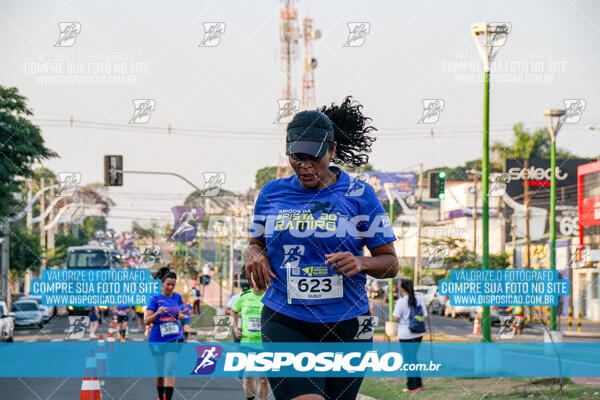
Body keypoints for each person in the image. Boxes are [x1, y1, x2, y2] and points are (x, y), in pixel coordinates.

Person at [245, 98, 399, 400]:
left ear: (332, 150)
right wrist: (252, 253)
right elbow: (255, 244)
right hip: (285, 318)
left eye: (314, 157)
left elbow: (391, 264)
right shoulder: (272, 193)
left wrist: (361, 262)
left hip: (348, 324)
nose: (305, 166)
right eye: (297, 156)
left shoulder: (359, 194)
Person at [145, 266, 186, 400]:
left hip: (175, 336)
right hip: (157, 336)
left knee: (169, 369)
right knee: (160, 372)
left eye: (173, 285)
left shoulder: (178, 297)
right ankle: (160, 397)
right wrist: (157, 313)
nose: (170, 287)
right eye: (168, 284)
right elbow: (146, 320)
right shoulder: (154, 298)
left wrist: (180, 316)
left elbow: (179, 312)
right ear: (162, 283)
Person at [232, 286, 270, 400]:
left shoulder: (270, 296)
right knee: (249, 375)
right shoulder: (244, 297)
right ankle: (251, 398)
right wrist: (235, 327)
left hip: (264, 344)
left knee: (263, 379)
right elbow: (234, 311)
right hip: (247, 343)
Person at [392, 279, 428, 393]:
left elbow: (395, 318)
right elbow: (425, 316)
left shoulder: (400, 302)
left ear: (402, 289)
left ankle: (411, 386)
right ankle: (419, 384)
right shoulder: (419, 299)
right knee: (414, 358)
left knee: (409, 360)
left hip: (405, 335)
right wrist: (416, 321)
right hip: (418, 333)